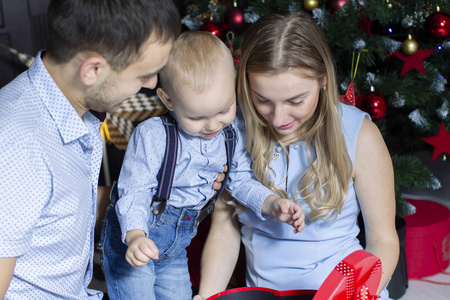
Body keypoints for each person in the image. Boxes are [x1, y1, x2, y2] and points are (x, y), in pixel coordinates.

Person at [194, 10, 399, 300]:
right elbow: (225, 230)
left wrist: (354, 295)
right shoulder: (233, 133)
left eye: (296, 101)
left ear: (323, 80)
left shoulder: (359, 134)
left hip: (347, 293)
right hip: (265, 294)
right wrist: (208, 296)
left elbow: (383, 240)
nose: (278, 119)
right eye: (262, 100)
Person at [99, 31, 305, 300]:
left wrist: (271, 203)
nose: (212, 125)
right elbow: (135, 190)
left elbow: (241, 181)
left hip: (177, 246)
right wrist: (136, 236)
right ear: (168, 100)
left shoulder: (233, 131)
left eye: (223, 110)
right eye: (196, 116)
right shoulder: (153, 135)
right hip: (136, 238)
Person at [0, 0, 181, 299]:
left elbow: (62, 207)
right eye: (143, 75)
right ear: (93, 69)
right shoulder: (17, 145)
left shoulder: (71, 107)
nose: (151, 85)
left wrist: (161, 192)